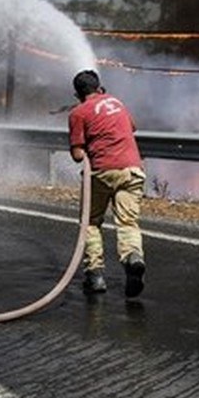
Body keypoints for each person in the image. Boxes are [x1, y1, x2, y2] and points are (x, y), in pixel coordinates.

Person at [67, 70, 147, 298]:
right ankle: (133, 257)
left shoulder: (78, 113)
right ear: (100, 87)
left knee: (90, 222)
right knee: (128, 221)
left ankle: (95, 275)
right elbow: (131, 128)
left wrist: (85, 145)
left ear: (77, 94)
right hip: (132, 170)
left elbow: (77, 155)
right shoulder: (117, 102)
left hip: (102, 172)